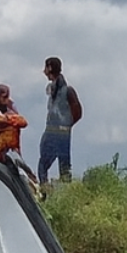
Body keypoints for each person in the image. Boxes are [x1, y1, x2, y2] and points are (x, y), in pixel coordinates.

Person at [0, 84, 38, 185]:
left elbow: (23, 122)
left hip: (11, 155)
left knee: (23, 173)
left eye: (7, 97)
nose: (6, 99)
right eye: (4, 97)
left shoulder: (12, 115)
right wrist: (4, 121)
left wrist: (7, 119)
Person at [38, 56, 81, 184]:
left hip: (58, 132)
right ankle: (46, 189)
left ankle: (48, 191)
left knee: (59, 166)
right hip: (55, 131)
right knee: (58, 165)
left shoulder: (67, 91)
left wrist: (65, 125)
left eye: (46, 67)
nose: (44, 71)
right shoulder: (53, 90)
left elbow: (77, 112)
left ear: (50, 68)